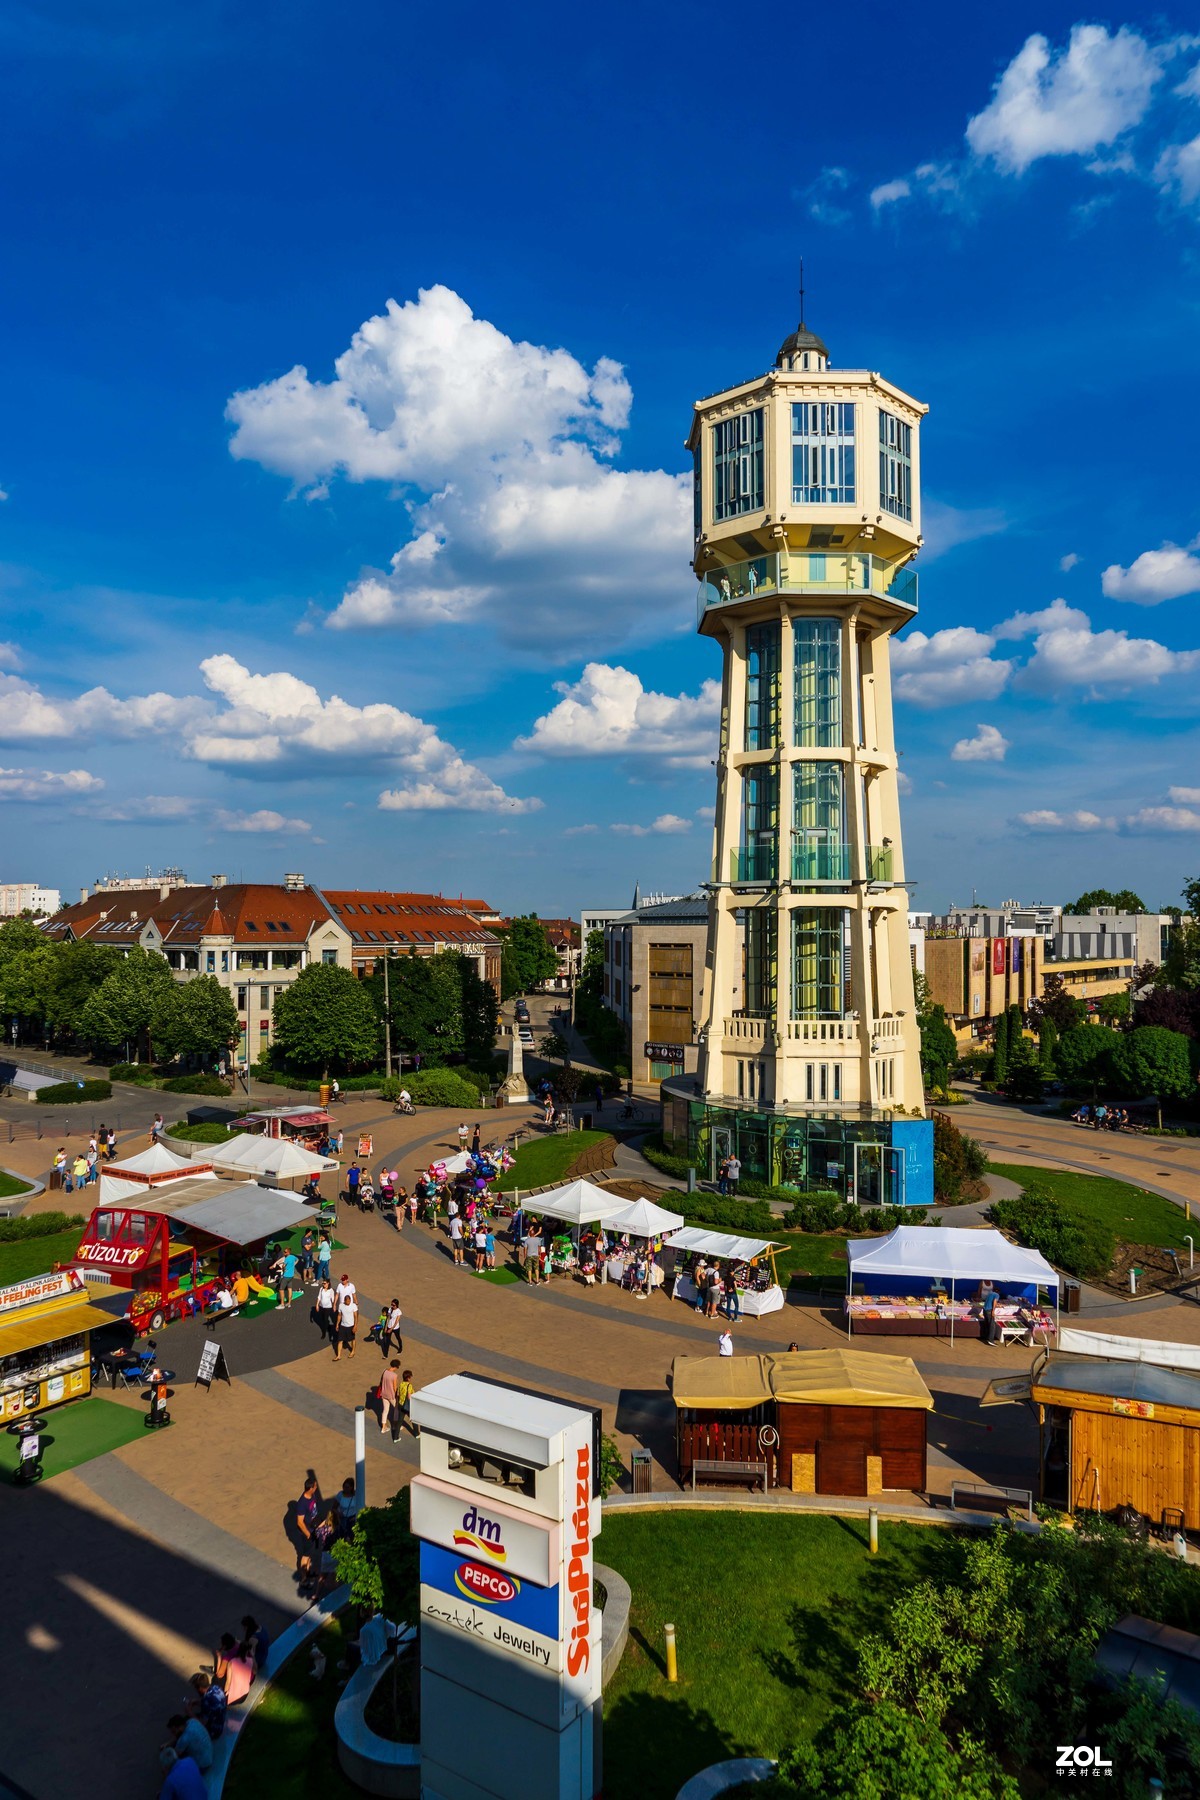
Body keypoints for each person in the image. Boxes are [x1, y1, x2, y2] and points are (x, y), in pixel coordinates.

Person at [292, 1475, 320, 1587]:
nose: (317, 1488)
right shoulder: (302, 1503)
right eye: (315, 1486)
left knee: (309, 1554)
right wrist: (308, 1534)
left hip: (313, 1529)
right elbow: (299, 1522)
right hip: (307, 1533)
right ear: (310, 1488)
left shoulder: (312, 1496)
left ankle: (308, 1573)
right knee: (305, 1555)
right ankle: (304, 1579)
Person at [214, 1633, 255, 1704]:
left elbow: (219, 1674)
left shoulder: (229, 1659)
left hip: (234, 1697)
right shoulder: (245, 1651)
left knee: (216, 1679)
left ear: (224, 1646)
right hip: (246, 1688)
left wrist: (219, 1657)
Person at [188, 1672, 227, 1740]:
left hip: (213, 1731)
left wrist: (189, 1712)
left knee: (189, 1723)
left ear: (200, 1688)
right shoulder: (216, 1687)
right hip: (220, 1723)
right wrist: (197, 1702)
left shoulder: (206, 1699)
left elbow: (202, 1723)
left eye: (195, 1687)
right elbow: (213, 1705)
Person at [334, 1287, 358, 1360]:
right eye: (347, 1301)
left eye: (349, 1300)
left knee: (352, 1339)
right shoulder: (341, 1305)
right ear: (344, 1301)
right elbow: (339, 1315)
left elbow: (356, 1316)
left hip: (351, 1326)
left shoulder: (353, 1306)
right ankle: (338, 1356)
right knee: (340, 1340)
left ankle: (353, 1351)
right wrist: (337, 1324)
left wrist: (355, 1326)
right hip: (343, 1326)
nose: (348, 1302)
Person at [379, 1359, 401, 1438]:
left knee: (385, 1410)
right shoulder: (394, 1375)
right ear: (396, 1366)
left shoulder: (384, 1371)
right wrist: (397, 1395)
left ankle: (383, 1427)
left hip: (384, 1394)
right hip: (391, 1395)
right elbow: (395, 1387)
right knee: (397, 1410)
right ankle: (397, 1425)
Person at [397, 1367, 418, 1436]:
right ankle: (417, 1434)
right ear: (408, 1378)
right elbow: (409, 1397)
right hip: (407, 1406)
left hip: (401, 1404)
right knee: (413, 1419)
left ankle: (395, 1437)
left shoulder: (401, 1384)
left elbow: (399, 1394)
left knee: (400, 1421)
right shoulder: (409, 1386)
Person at [977, 1279, 999, 1346]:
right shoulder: (996, 1295)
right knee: (992, 1325)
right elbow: (994, 1302)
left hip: (985, 1309)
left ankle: (986, 1337)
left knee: (987, 1324)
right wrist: (993, 1311)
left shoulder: (990, 1294)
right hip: (989, 1310)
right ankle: (991, 1340)